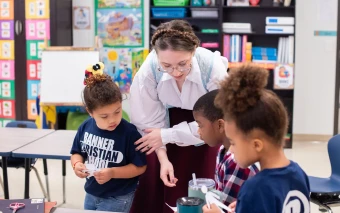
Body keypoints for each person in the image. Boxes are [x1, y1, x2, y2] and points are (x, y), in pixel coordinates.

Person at [129, 19, 228, 213]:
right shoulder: (150, 69)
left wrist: (167, 135)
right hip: (162, 131)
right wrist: (163, 157)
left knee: (203, 193)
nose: (175, 72)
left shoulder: (212, 67)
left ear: (194, 51)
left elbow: (217, 120)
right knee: (157, 194)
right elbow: (149, 121)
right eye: (166, 65)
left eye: (183, 64)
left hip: (205, 132)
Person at [203, 64, 310, 213]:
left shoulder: (255, 189)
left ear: (257, 145)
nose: (231, 150)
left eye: (233, 142)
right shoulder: (299, 173)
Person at [70, 63, 147, 212]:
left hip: (118, 197)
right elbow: (76, 152)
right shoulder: (85, 127)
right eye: (104, 116)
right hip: (92, 192)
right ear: (90, 112)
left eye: (117, 112)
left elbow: (140, 167)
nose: (112, 120)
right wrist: (77, 165)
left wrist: (112, 173)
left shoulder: (130, 133)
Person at [192, 90, 259, 206]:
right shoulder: (223, 149)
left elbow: (224, 208)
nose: (198, 131)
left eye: (200, 125)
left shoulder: (238, 161)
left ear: (220, 125)